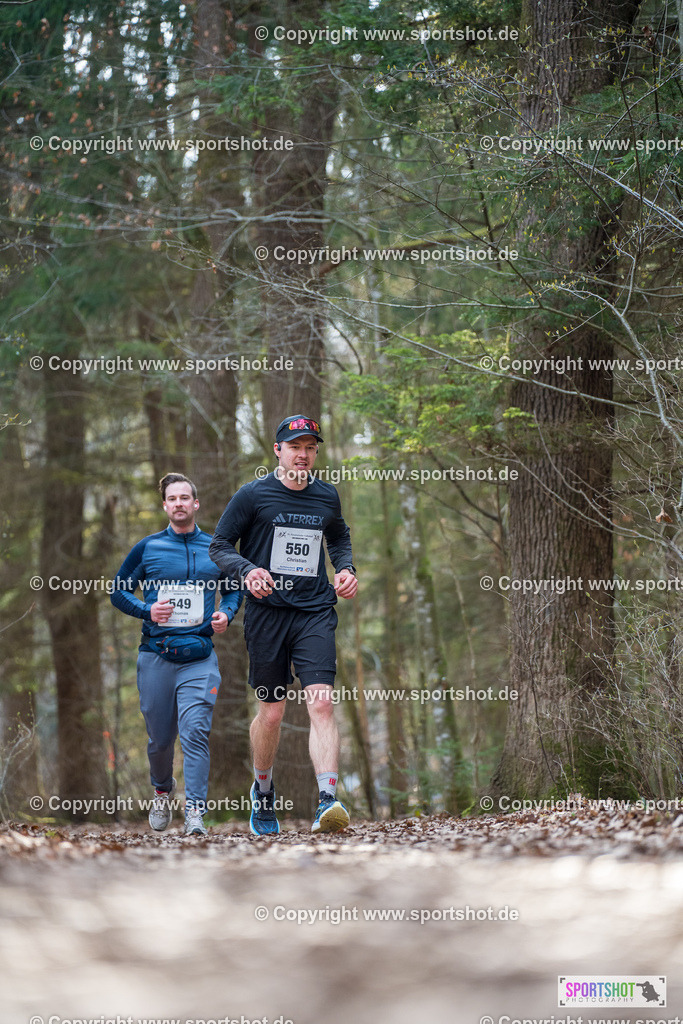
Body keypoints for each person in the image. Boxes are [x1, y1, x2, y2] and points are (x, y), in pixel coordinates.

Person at [209, 414, 358, 837]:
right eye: (296, 447)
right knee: (271, 714)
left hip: (313, 611)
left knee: (322, 703)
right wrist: (247, 570)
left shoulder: (326, 497)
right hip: (268, 613)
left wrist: (345, 568)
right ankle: (263, 790)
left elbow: (339, 536)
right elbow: (219, 545)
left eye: (311, 447)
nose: (304, 454)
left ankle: (328, 800)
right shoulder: (252, 495)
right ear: (278, 450)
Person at [111, 473, 242, 836]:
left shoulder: (217, 547)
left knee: (195, 732)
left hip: (199, 658)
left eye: (186, 497)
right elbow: (118, 591)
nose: (180, 503)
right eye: (173, 498)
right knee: (160, 739)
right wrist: (145, 611)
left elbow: (234, 591)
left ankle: (196, 812)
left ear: (196, 504)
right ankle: (161, 789)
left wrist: (225, 614)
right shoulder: (148, 548)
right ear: (165, 506)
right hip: (156, 655)